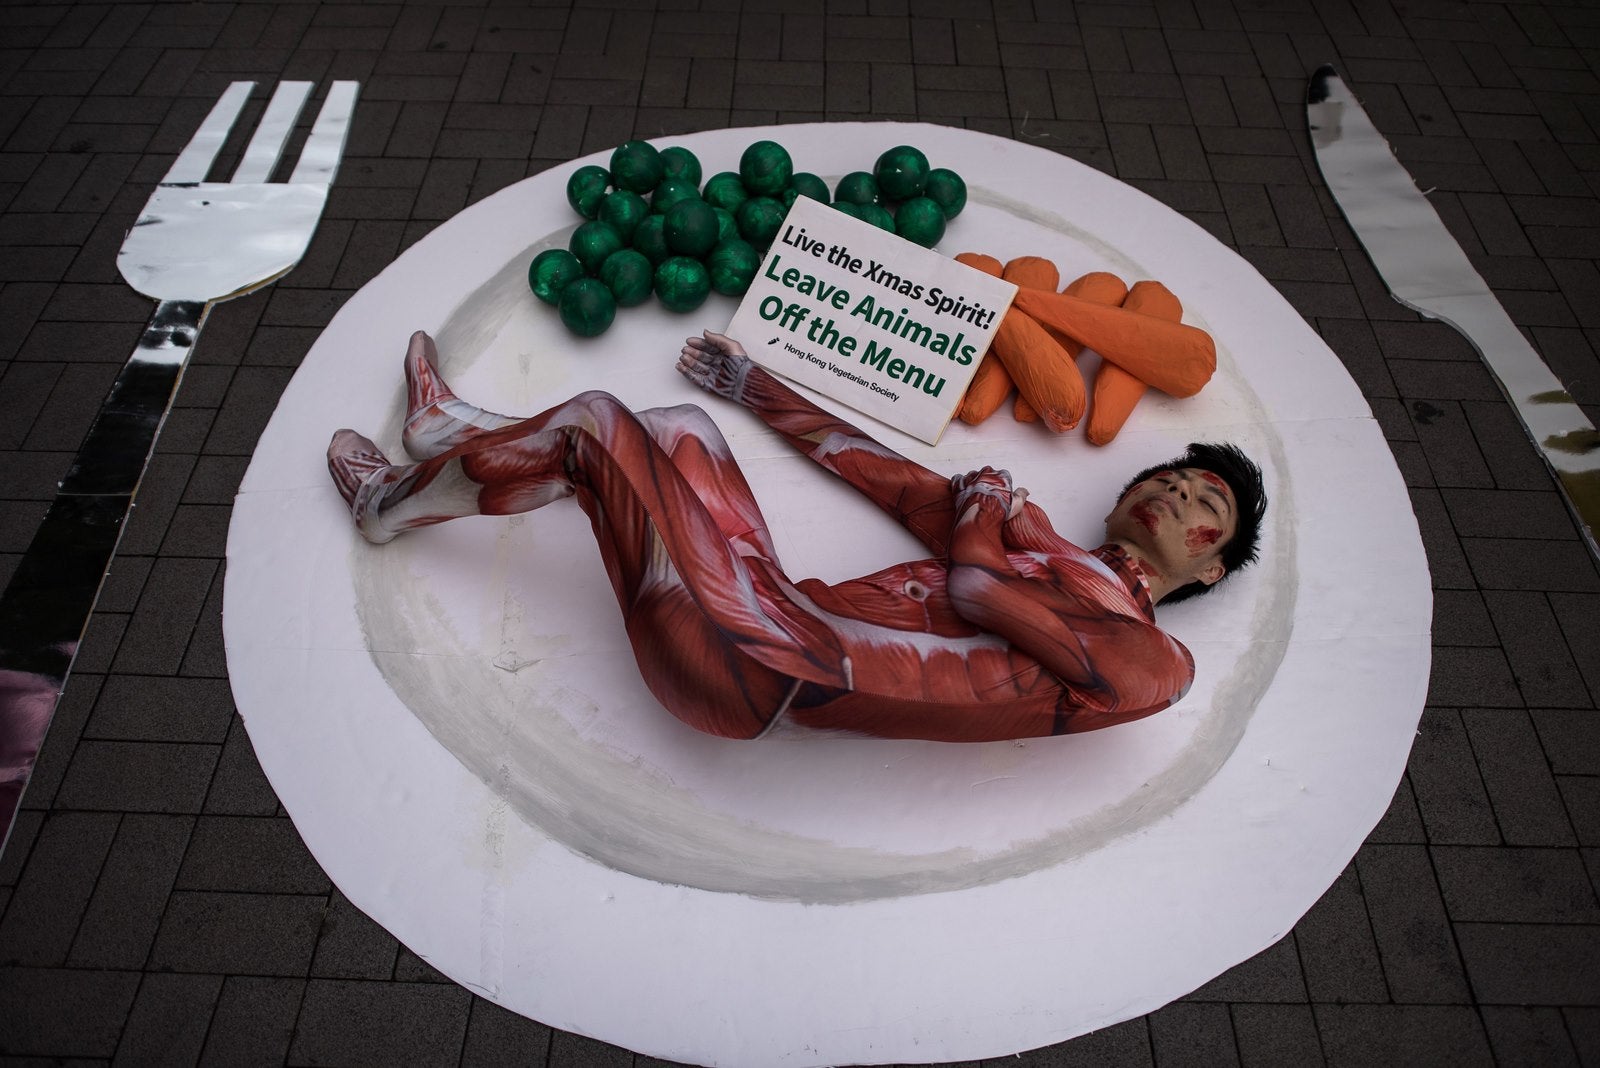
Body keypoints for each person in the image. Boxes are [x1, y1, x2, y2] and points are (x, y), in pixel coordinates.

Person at [328, 330, 1266, 743]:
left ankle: (387, 505)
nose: (1175, 490)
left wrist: (981, 514)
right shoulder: (1039, 542)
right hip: (766, 609)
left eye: (1204, 504)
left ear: (1210, 566)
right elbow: (894, 480)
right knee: (680, 428)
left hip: (759, 672)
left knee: (598, 424)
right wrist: (759, 389)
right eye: (1169, 475)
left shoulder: (1156, 661)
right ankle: (450, 436)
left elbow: (977, 591)